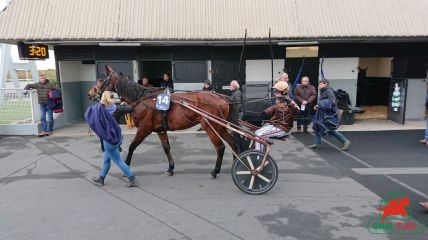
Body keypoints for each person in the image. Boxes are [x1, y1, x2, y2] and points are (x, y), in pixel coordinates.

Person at [84, 91, 138, 187]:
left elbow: (90, 113)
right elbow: (130, 108)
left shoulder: (100, 110)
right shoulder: (117, 108)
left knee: (118, 160)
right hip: (116, 137)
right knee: (107, 159)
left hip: (107, 139)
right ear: (112, 98)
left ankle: (132, 178)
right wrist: (124, 104)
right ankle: (101, 179)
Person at [255, 81, 299, 151]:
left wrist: (288, 101)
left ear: (283, 92)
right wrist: (263, 112)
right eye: (275, 91)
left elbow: (297, 110)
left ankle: (259, 156)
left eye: (277, 91)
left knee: (260, 135)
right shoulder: (278, 100)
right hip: (275, 125)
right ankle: (263, 154)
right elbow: (272, 108)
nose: (274, 93)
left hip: (282, 128)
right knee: (257, 132)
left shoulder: (290, 102)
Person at [308, 79, 351, 151]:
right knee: (317, 126)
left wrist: (320, 104)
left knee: (329, 129)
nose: (319, 85)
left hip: (328, 115)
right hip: (322, 113)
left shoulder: (329, 92)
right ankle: (317, 143)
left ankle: (345, 141)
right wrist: (318, 105)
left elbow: (332, 102)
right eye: (319, 84)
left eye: (321, 84)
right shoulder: (323, 91)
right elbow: (322, 102)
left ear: (326, 84)